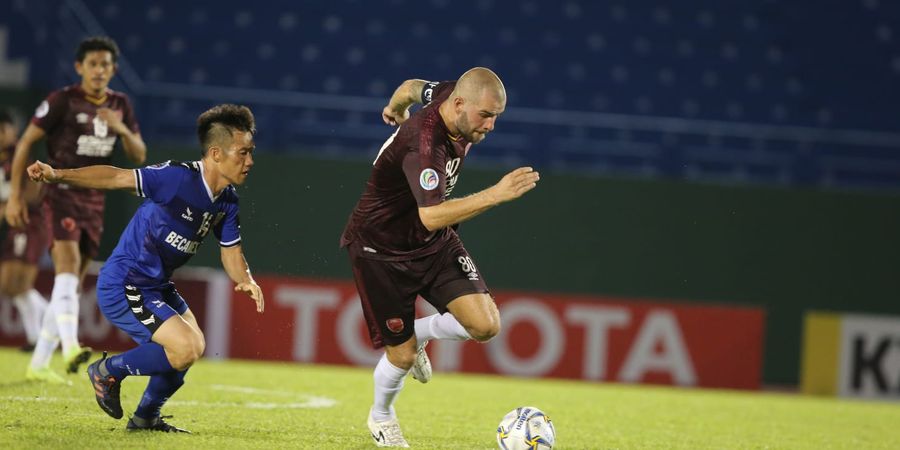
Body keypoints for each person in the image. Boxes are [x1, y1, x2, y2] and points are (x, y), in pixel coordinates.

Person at [26, 103, 265, 433]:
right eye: (243, 152)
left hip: (156, 285)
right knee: (185, 347)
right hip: (126, 282)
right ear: (216, 153)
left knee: (192, 345)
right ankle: (107, 371)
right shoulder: (177, 179)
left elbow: (231, 253)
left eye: (251, 152)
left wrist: (246, 279)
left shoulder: (227, 201)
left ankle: (145, 418)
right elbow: (115, 176)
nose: (250, 161)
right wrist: (58, 174)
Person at [340, 67, 540, 447]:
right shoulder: (424, 144)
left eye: (497, 116)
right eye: (486, 115)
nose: (492, 126)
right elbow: (430, 214)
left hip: (432, 242)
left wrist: (393, 108)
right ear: (460, 104)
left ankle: (419, 334)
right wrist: (496, 194)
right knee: (400, 357)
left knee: (485, 325)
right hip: (380, 250)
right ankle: (381, 416)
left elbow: (411, 87)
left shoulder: (449, 95)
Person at [5, 36, 147, 382]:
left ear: (113, 70)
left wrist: (120, 128)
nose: (99, 70)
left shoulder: (120, 105)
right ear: (80, 67)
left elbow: (139, 155)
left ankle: (38, 364)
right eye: (93, 64)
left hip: (95, 200)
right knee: (66, 269)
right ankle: (70, 346)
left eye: (106, 65)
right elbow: (25, 142)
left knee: (71, 282)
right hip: (60, 193)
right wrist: (15, 197)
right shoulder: (63, 101)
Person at [0, 110, 51, 356]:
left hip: (30, 222)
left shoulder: (22, 153)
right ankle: (38, 334)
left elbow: (33, 192)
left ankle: (57, 322)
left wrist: (8, 204)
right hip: (16, 224)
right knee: (10, 286)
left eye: (3, 129)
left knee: (15, 283)